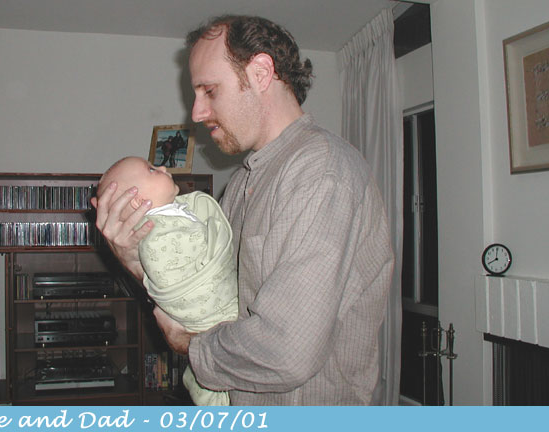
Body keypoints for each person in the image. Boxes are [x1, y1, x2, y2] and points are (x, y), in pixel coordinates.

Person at [92, 15, 394, 405]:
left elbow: (286, 352)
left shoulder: (322, 173)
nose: (196, 113)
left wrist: (191, 346)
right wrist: (134, 257)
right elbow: (205, 292)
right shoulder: (241, 184)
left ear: (261, 73)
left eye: (209, 91)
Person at [95, 156, 237, 406]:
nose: (162, 167)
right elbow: (173, 278)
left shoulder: (178, 213)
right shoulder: (159, 235)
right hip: (215, 320)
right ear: (138, 201)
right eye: (151, 170)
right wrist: (134, 262)